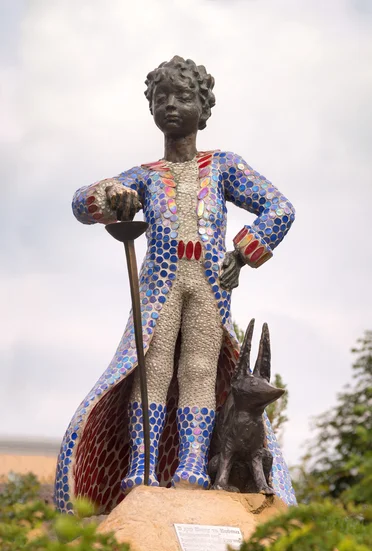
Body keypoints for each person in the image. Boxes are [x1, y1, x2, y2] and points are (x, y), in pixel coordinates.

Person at [54, 56, 297, 515]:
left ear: (203, 108)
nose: (170, 105)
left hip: (209, 282)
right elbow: (81, 204)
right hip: (159, 283)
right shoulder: (146, 176)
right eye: (160, 97)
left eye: (183, 97)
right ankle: (140, 468)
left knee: (201, 372)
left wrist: (243, 253)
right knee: (151, 369)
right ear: (150, 108)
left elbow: (279, 208)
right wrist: (113, 194)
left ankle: (191, 468)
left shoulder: (224, 166)